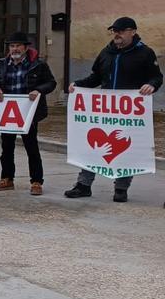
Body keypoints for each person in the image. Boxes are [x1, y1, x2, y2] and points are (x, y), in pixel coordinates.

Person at [64, 17, 162, 203]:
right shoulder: (106, 53)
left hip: (129, 111)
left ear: (132, 32)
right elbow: (96, 78)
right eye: (114, 31)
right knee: (91, 147)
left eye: (121, 31)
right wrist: (78, 85)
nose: (117, 34)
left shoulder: (145, 53)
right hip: (103, 112)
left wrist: (151, 85)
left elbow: (156, 77)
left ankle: (121, 188)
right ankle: (83, 185)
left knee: (125, 149)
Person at [0, 32, 57, 196]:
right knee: (6, 147)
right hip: (8, 112)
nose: (15, 49)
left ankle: (36, 181)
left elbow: (51, 83)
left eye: (18, 45)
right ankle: (7, 178)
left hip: (28, 112)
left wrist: (38, 90)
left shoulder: (38, 65)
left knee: (31, 147)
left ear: (25, 48)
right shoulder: (1, 64)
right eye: (12, 46)